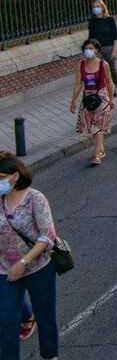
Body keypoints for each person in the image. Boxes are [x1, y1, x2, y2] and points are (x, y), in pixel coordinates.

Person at [0, 152, 59, 360]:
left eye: (0, 178)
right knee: (5, 320)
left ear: (15, 176)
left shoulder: (35, 198)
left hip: (39, 268)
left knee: (45, 316)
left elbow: (47, 237)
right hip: (5, 270)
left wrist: (23, 263)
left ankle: (50, 355)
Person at [70, 38, 115, 167]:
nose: (88, 51)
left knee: (98, 127)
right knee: (92, 127)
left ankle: (97, 154)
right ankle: (100, 149)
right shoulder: (81, 64)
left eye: (91, 49)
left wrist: (111, 99)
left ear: (96, 50)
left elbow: (109, 82)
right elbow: (78, 84)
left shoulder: (103, 64)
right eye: (86, 49)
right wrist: (73, 100)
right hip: (88, 98)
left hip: (101, 97)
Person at [87, 0, 117, 96]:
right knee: (97, 68)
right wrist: (89, 49)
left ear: (102, 8)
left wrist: (115, 50)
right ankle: (100, 88)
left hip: (109, 47)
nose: (95, 9)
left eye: (98, 7)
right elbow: (90, 37)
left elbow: (116, 36)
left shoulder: (109, 20)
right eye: (94, 7)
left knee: (112, 68)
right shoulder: (92, 21)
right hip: (97, 49)